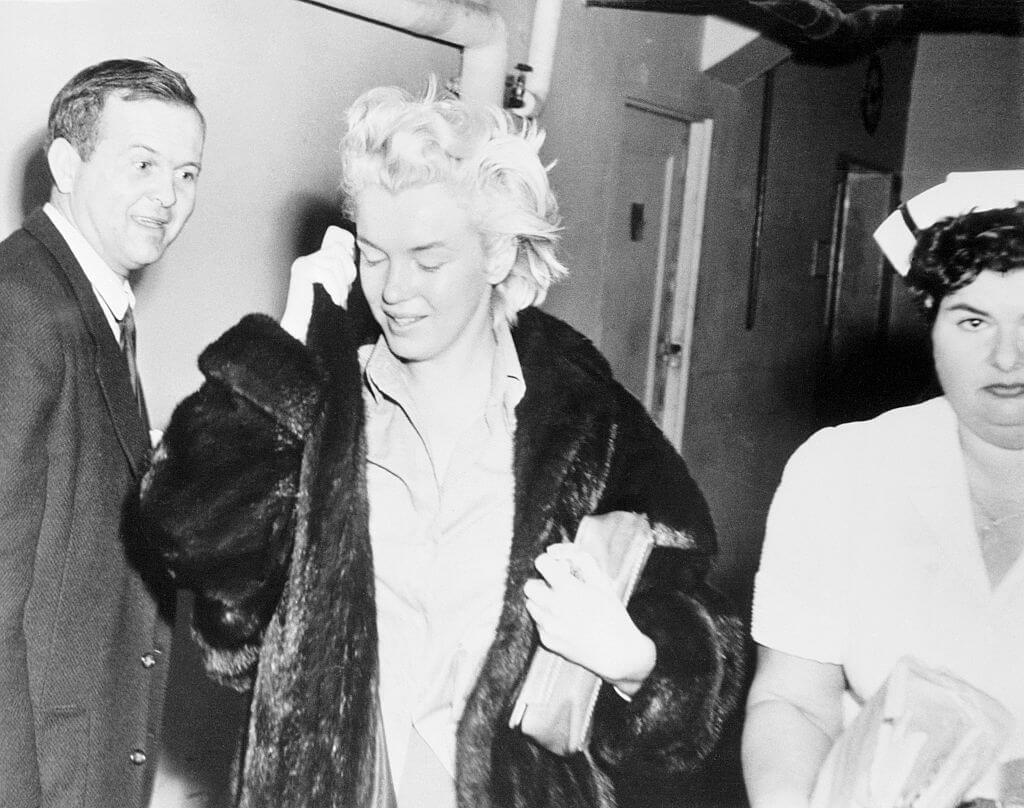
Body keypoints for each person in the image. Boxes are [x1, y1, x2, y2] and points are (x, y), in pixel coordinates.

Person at [139, 82, 744, 808]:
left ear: (497, 254)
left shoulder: (586, 422)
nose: (394, 291)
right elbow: (186, 534)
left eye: (428, 261)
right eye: (374, 256)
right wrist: (286, 350)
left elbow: (705, 648)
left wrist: (636, 659)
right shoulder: (322, 402)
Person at [742, 171, 1024, 807]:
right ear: (931, 325)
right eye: (973, 321)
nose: (1008, 357)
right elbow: (793, 700)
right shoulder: (843, 469)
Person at [0, 58, 205, 808]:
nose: (168, 196)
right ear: (66, 164)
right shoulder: (22, 307)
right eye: (144, 164)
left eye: (187, 173)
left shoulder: (89, 303)